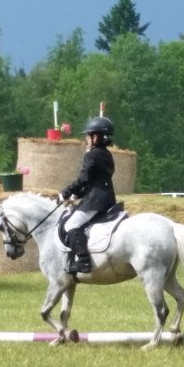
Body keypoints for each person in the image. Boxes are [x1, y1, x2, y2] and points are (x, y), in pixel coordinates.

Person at [59, 116, 117, 273]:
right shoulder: (107, 154)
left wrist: (66, 192)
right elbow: (94, 180)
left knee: (71, 225)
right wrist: (77, 194)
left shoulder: (92, 154)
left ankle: (83, 261)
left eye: (88, 135)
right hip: (107, 198)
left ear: (96, 137)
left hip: (96, 200)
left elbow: (83, 179)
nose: (86, 139)